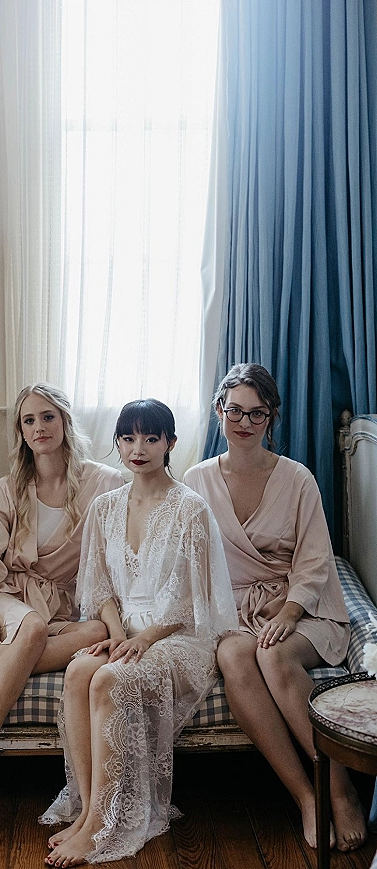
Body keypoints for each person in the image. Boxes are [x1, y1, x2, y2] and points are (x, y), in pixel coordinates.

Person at [41, 399, 238, 866]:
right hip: (125, 632)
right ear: (117, 443)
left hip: (180, 637)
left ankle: (102, 824)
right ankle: (87, 811)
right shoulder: (105, 507)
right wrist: (115, 633)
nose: (138, 448)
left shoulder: (190, 508)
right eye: (128, 438)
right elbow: (98, 588)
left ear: (170, 443)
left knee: (109, 679)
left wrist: (145, 639)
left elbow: (195, 602)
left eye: (151, 438)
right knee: (79, 672)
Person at [184, 363, 367, 852]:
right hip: (234, 610)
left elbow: (315, 560)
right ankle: (306, 796)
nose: (244, 422)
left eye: (257, 413)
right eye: (235, 411)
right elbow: (192, 562)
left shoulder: (297, 478)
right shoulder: (196, 480)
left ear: (272, 417)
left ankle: (338, 787)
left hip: (302, 604)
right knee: (234, 655)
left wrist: (289, 611)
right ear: (219, 411)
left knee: (273, 654)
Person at [0, 383, 125, 832]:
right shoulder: (7, 488)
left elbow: (119, 554)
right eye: (29, 420)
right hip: (9, 595)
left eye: (47, 417)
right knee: (31, 629)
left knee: (97, 632)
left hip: (64, 605)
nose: (39, 427)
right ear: (20, 429)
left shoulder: (104, 483)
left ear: (65, 421)